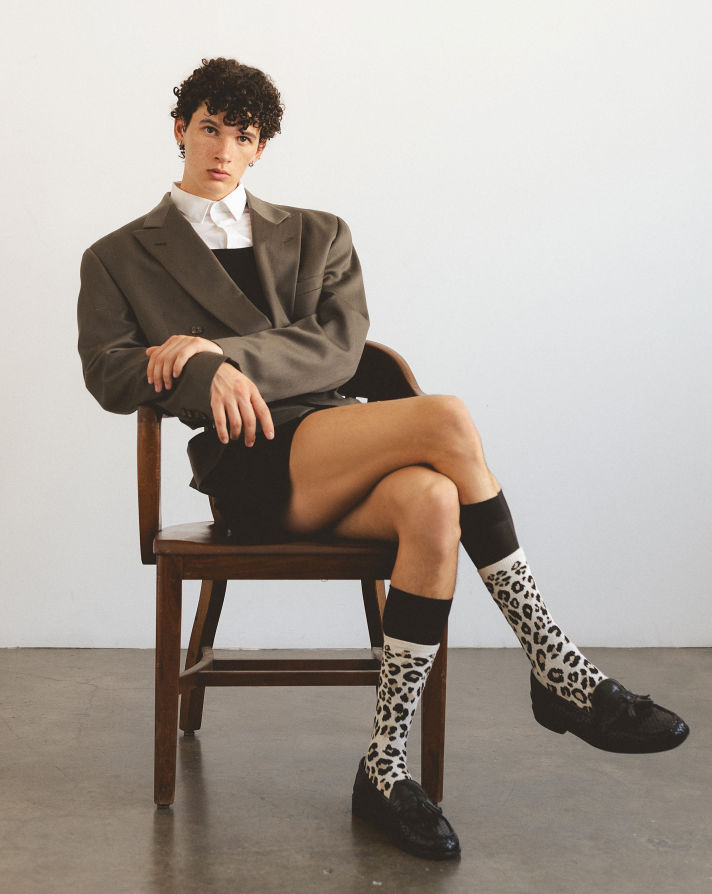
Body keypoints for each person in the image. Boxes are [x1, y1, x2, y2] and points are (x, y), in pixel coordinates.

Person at [78, 57, 689, 861]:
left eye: (243, 135)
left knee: (433, 500)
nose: (223, 149)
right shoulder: (118, 255)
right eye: (210, 128)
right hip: (251, 466)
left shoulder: (319, 233)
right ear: (180, 131)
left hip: (336, 437)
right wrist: (199, 375)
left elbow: (339, 348)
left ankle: (384, 768)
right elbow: (111, 373)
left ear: (262, 148)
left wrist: (219, 351)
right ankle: (558, 668)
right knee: (447, 417)